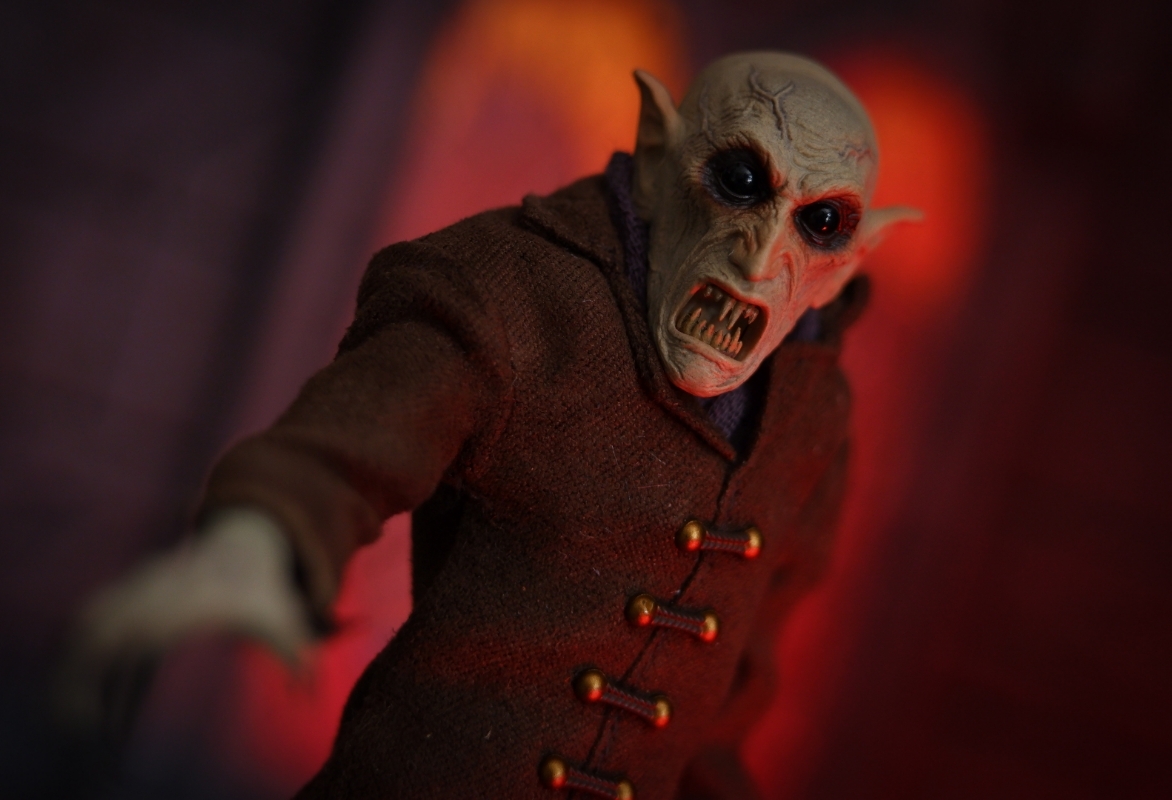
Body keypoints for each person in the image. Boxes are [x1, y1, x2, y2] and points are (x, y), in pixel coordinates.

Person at [60, 51, 916, 799]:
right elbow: (358, 435)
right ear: (659, 157)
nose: (760, 258)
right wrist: (259, 541)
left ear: (848, 264)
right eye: (740, 181)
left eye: (821, 221)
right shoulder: (516, 292)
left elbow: (728, 697)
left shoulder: (815, 413)